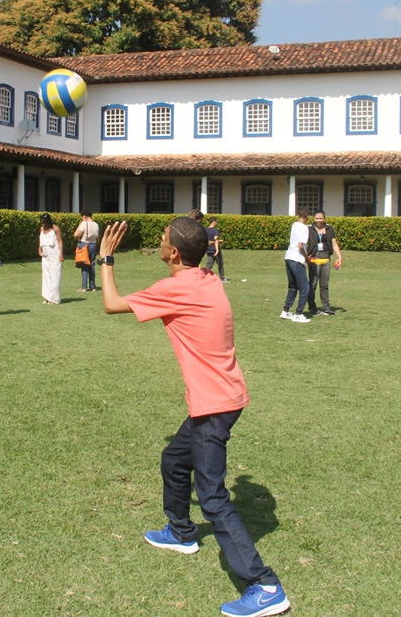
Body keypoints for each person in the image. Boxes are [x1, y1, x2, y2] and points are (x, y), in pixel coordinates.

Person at [98, 217, 290, 617]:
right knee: (174, 459)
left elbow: (112, 304)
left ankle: (264, 585)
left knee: (215, 498)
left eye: (164, 239)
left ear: (173, 253)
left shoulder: (178, 287)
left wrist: (106, 258)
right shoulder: (205, 278)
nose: (160, 241)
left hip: (213, 406)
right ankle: (181, 532)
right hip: (225, 398)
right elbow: (194, 252)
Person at [305, 210, 343, 316]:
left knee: (324, 285)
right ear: (314, 219)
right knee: (312, 284)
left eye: (321, 218)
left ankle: (326, 308)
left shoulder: (329, 229)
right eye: (317, 218)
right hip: (314, 259)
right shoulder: (309, 229)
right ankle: (312, 307)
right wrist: (305, 257)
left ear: (324, 219)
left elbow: (334, 244)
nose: (319, 221)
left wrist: (339, 257)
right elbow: (303, 243)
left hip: (326, 258)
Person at [280, 208, 311, 323]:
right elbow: (300, 245)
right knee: (305, 288)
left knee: (293, 286)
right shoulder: (305, 228)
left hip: (288, 257)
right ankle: (298, 313)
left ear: (298, 215)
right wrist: (307, 257)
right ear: (308, 217)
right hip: (297, 259)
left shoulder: (294, 225)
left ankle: (286, 310)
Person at [39, 212, 63, 304]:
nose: (44, 224)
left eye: (45, 223)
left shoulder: (55, 229)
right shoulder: (41, 229)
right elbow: (40, 239)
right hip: (45, 256)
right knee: (46, 277)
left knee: (55, 276)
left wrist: (61, 254)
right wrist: (39, 248)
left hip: (54, 255)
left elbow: (60, 241)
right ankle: (47, 297)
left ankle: (55, 299)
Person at [74, 210, 100, 292]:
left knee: (84, 264)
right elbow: (98, 238)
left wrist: (79, 225)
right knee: (92, 265)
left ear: (84, 216)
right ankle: (93, 286)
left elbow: (76, 235)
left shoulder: (84, 224)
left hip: (84, 244)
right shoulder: (96, 225)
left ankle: (84, 287)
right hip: (93, 245)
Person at [204, 215, 229, 283]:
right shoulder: (215, 231)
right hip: (215, 250)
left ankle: (203, 277)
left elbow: (207, 241)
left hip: (209, 250)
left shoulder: (205, 230)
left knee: (209, 265)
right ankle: (222, 278)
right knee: (220, 264)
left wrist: (216, 241)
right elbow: (216, 239)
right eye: (216, 222)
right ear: (214, 222)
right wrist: (217, 250)